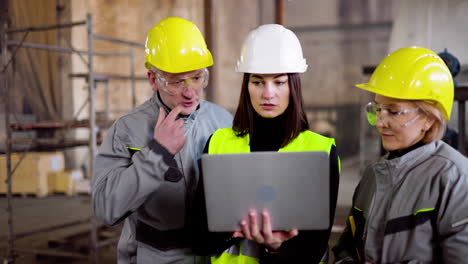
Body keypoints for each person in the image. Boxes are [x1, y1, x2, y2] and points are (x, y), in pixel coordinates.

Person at [192, 24, 340, 263]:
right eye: (258, 82)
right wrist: (233, 231)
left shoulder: (321, 151)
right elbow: (199, 240)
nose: (268, 94)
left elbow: (315, 248)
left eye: (279, 82)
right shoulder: (219, 142)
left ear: (293, 86)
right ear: (246, 86)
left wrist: (275, 247)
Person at [91, 17, 232, 264]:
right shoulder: (127, 130)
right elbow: (106, 207)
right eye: (177, 82)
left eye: (197, 78)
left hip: (216, 255)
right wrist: (157, 153)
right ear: (153, 79)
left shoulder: (223, 121)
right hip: (157, 256)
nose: (190, 92)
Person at [332, 46, 468, 263]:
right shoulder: (372, 177)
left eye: (394, 112)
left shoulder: (455, 178)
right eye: (377, 110)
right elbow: (345, 250)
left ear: (429, 119)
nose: (380, 122)